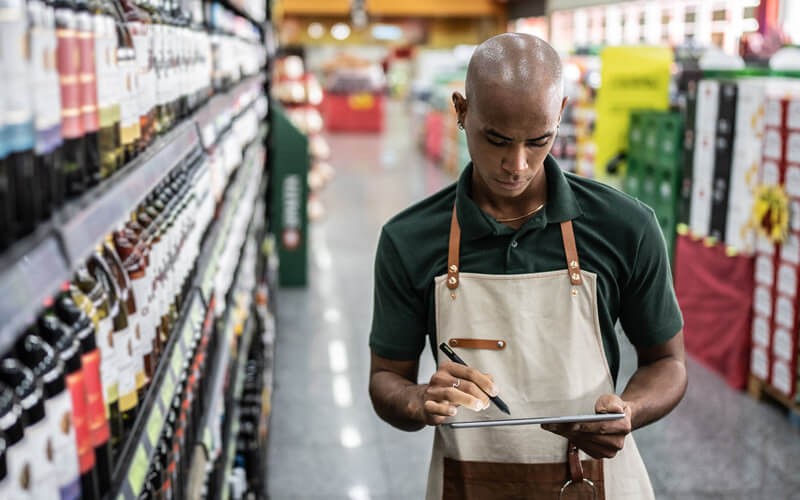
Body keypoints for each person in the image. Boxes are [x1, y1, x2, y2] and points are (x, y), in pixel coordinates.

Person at [368, 33, 687, 499]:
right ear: (461, 111)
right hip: (467, 485)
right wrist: (417, 400)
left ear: (560, 114)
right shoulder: (410, 240)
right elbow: (384, 379)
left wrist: (630, 411)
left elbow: (668, 362)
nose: (516, 165)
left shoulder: (625, 227)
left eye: (539, 141)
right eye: (497, 139)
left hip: (593, 482)